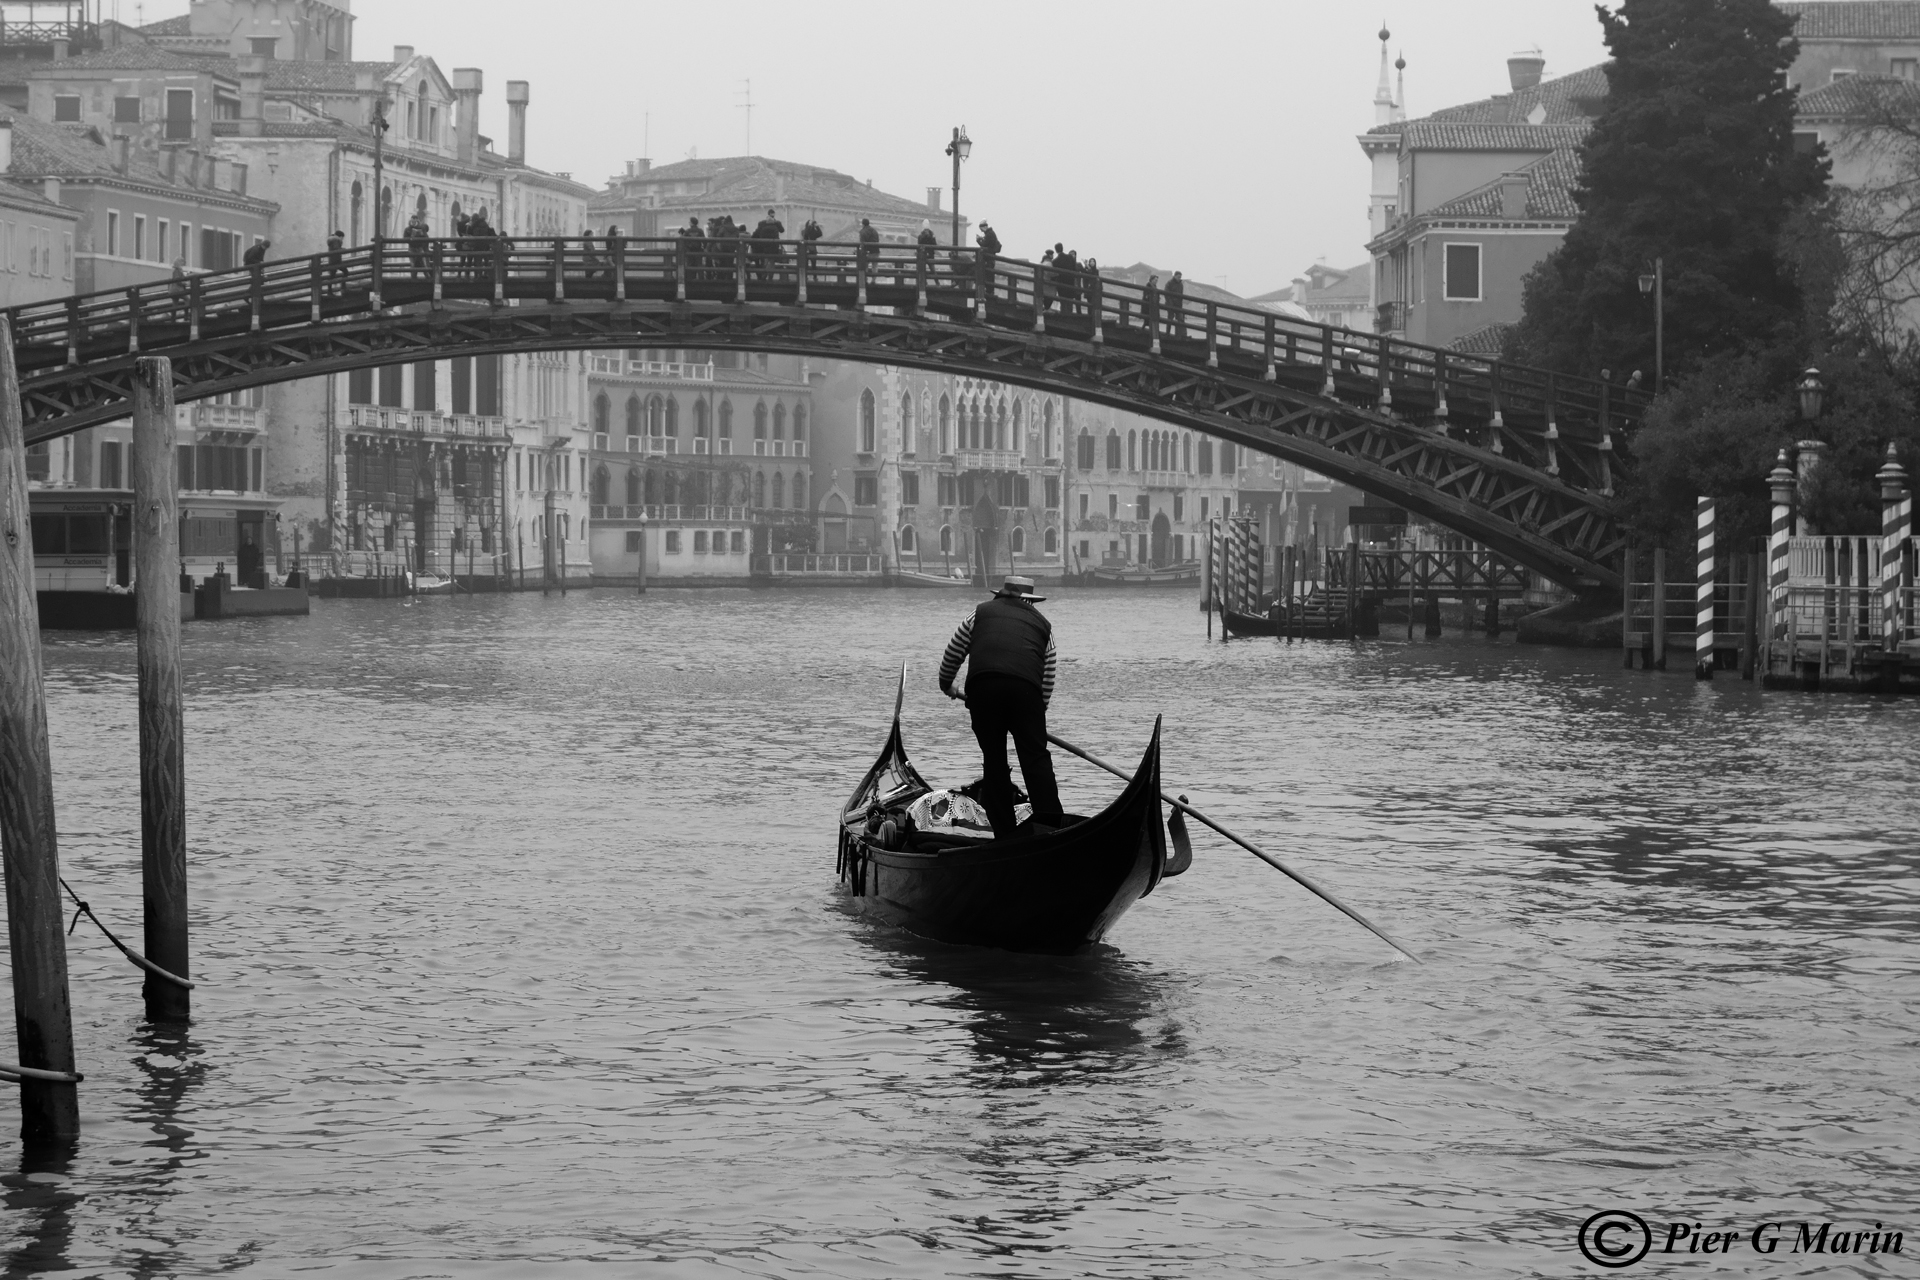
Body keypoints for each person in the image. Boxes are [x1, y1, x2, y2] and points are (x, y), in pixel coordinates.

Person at [938, 575, 1064, 841]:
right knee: (1035, 756)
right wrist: (1034, 716)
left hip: (983, 689)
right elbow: (1048, 674)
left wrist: (946, 684)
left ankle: (1005, 831)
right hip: (1026, 692)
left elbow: (954, 651)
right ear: (1030, 601)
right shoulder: (1044, 626)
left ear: (1000, 595)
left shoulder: (979, 614)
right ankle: (1050, 821)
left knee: (994, 760)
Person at [403, 210, 430, 278]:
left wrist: (420, 236)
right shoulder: (407, 229)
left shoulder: (421, 228)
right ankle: (413, 278)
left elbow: (426, 237)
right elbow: (405, 238)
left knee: (423, 264)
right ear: (411, 220)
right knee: (413, 264)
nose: (413, 221)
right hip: (412, 248)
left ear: (417, 220)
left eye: (414, 220)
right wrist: (411, 238)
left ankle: (427, 277)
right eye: (412, 220)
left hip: (419, 248)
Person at [1165, 269, 1186, 339]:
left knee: (1180, 319)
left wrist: (1180, 304)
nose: (1179, 278)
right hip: (1171, 304)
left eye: (1180, 277)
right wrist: (1170, 303)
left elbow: (1181, 295)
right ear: (1175, 276)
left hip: (1178, 305)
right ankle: (1167, 333)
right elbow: (1166, 294)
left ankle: (1179, 335)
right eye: (1178, 277)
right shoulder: (1169, 283)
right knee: (1170, 319)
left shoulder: (1180, 284)